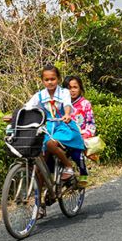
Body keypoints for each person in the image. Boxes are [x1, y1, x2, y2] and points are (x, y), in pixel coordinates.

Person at [24, 65, 87, 198]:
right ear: (42, 81)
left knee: (50, 144)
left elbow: (67, 104)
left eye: (53, 79)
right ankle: (39, 203)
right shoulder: (39, 95)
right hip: (48, 129)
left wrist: (68, 114)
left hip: (65, 126)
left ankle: (68, 166)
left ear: (58, 79)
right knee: (41, 164)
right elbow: (28, 107)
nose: (50, 82)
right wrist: (15, 116)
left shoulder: (64, 92)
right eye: (46, 80)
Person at [65, 75, 98, 182]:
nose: (72, 90)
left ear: (80, 88)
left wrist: (86, 135)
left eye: (75, 87)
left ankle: (83, 171)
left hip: (80, 136)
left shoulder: (85, 104)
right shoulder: (61, 104)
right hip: (64, 134)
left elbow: (91, 124)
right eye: (69, 88)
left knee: (75, 151)